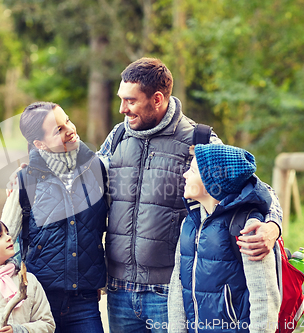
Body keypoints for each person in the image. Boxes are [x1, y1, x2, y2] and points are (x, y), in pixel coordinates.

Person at [96, 57, 282, 332]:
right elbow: (86, 181)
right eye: (121, 100)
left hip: (168, 293)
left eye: (131, 101)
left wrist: (272, 227)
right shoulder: (118, 136)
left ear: (157, 99)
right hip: (119, 290)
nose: (122, 109)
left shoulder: (200, 140)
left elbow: (259, 189)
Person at [0, 102, 108, 333]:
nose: (69, 129)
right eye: (58, 130)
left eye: (68, 121)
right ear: (39, 143)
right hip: (38, 302)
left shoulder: (98, 169)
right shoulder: (23, 181)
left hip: (85, 300)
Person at [167, 144, 281, 333]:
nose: (185, 174)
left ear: (213, 184)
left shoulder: (248, 226)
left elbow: (265, 299)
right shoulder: (189, 223)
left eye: (193, 170)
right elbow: (176, 290)